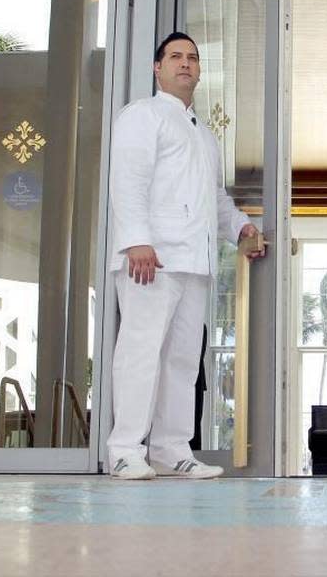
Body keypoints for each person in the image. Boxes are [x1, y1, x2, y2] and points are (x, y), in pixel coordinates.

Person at [106, 31, 263, 480]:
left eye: (193, 57)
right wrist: (136, 239)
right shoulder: (143, 115)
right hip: (151, 259)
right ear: (157, 68)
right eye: (175, 56)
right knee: (140, 351)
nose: (185, 63)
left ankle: (172, 449)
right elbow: (128, 180)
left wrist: (240, 228)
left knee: (181, 358)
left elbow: (214, 199)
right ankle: (124, 449)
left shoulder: (205, 136)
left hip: (195, 262)